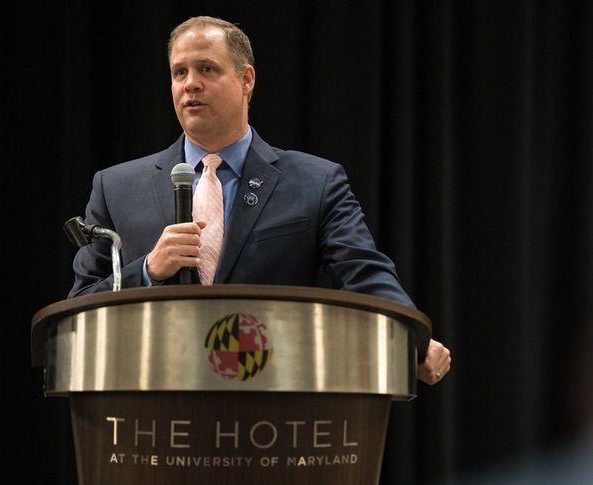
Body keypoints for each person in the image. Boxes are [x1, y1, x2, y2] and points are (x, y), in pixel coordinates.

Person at [68, 15, 450, 385]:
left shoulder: (315, 182)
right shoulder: (116, 186)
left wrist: (413, 338)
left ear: (246, 79)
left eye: (207, 69)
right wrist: (149, 269)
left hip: (272, 397)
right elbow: (81, 306)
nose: (191, 85)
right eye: (179, 72)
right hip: (152, 401)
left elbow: (364, 272)